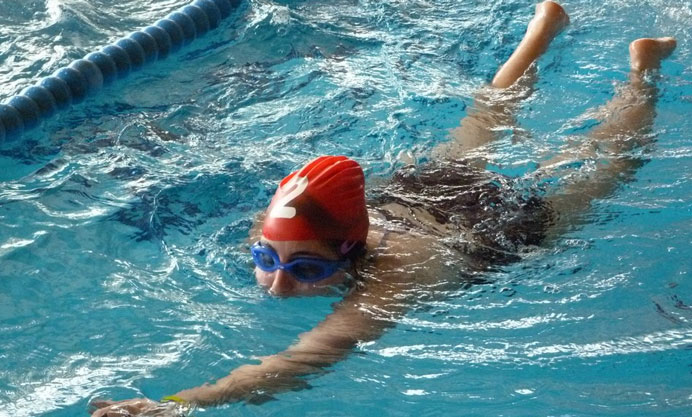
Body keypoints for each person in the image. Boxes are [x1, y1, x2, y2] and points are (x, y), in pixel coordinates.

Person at [90, 1, 676, 415]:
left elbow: (304, 360)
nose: (278, 286)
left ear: (353, 250)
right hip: (415, 196)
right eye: (266, 258)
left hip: (489, 230)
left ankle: (642, 72)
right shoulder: (288, 227)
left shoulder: (394, 277)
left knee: (603, 167)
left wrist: (179, 404)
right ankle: (542, 28)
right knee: (485, 119)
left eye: (307, 270)